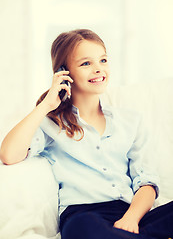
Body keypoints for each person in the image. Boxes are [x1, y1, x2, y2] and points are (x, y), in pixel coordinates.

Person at [0, 29, 172, 239]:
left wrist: (131, 219)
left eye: (103, 60)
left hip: (129, 216)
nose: (98, 69)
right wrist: (46, 105)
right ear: (64, 73)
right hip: (85, 216)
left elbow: (146, 181)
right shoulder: (52, 123)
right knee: (82, 226)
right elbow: (9, 154)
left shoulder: (130, 121)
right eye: (86, 63)